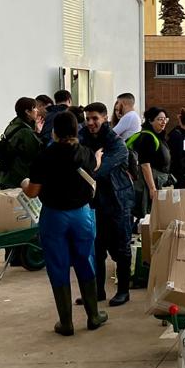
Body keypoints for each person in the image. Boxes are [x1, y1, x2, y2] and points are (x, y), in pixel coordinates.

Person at [22, 111, 107, 335]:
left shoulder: (44, 157)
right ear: (77, 130)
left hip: (54, 216)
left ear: (54, 132)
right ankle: (94, 316)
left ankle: (66, 322)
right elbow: (93, 167)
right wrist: (97, 158)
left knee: (57, 265)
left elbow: (32, 192)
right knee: (86, 260)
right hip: (82, 215)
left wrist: (24, 184)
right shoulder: (85, 153)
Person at [79, 102, 136, 308]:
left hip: (118, 201)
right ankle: (98, 291)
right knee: (96, 248)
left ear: (105, 118)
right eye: (88, 119)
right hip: (94, 203)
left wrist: (87, 166)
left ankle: (123, 291)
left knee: (121, 247)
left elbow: (97, 172)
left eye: (95, 118)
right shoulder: (82, 139)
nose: (91, 123)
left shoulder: (117, 144)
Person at [128, 107, 172, 218]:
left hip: (158, 180)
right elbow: (145, 165)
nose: (163, 122)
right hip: (150, 182)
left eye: (164, 119)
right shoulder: (147, 137)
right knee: (148, 215)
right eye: (159, 119)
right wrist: (152, 188)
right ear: (150, 121)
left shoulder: (159, 136)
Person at [0, 97, 44, 189]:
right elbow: (35, 154)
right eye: (34, 108)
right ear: (27, 112)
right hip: (17, 179)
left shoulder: (13, 125)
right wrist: (38, 134)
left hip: (5, 176)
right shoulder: (25, 132)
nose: (37, 110)